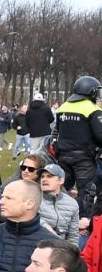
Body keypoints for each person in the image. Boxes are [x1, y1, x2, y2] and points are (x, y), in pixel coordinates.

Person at [54, 76, 102, 217]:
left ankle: (57, 216)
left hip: (63, 156)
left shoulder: (63, 107)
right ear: (91, 92)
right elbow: (100, 136)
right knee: (86, 192)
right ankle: (81, 222)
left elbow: (57, 131)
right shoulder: (92, 109)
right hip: (84, 159)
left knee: (60, 189)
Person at [37, 164, 80, 245]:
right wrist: (45, 226)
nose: (44, 179)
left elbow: (73, 236)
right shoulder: (33, 198)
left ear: (61, 181)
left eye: (49, 176)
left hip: (60, 249)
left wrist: (72, 255)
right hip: (36, 246)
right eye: (42, 177)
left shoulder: (72, 203)